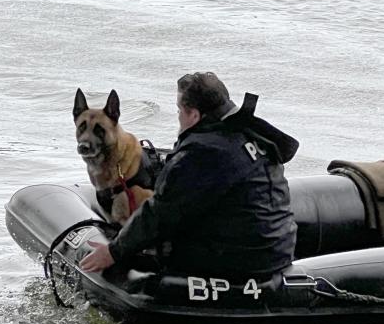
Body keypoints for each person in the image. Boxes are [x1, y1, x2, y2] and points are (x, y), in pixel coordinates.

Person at [80, 72, 299, 280]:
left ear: (194, 115)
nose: (178, 117)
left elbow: (161, 214)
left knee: (158, 241)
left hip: (240, 262)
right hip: (278, 250)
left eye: (179, 110)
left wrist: (114, 251)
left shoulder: (201, 154)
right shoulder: (252, 133)